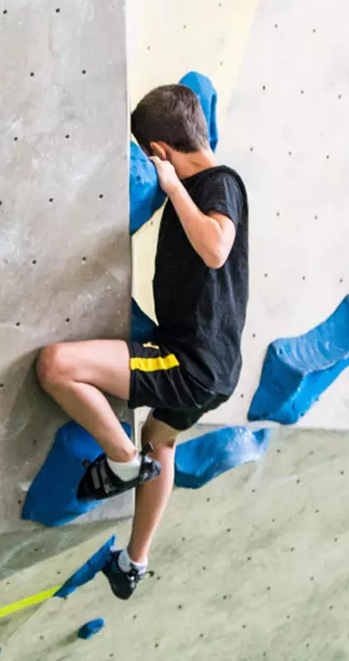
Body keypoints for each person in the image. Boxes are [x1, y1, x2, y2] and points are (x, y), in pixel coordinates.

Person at [34, 83, 249, 599]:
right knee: (163, 439)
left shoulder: (219, 183)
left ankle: (122, 461)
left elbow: (217, 249)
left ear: (159, 154)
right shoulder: (210, 186)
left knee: (56, 366)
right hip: (214, 372)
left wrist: (173, 187)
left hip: (187, 363)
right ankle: (134, 562)